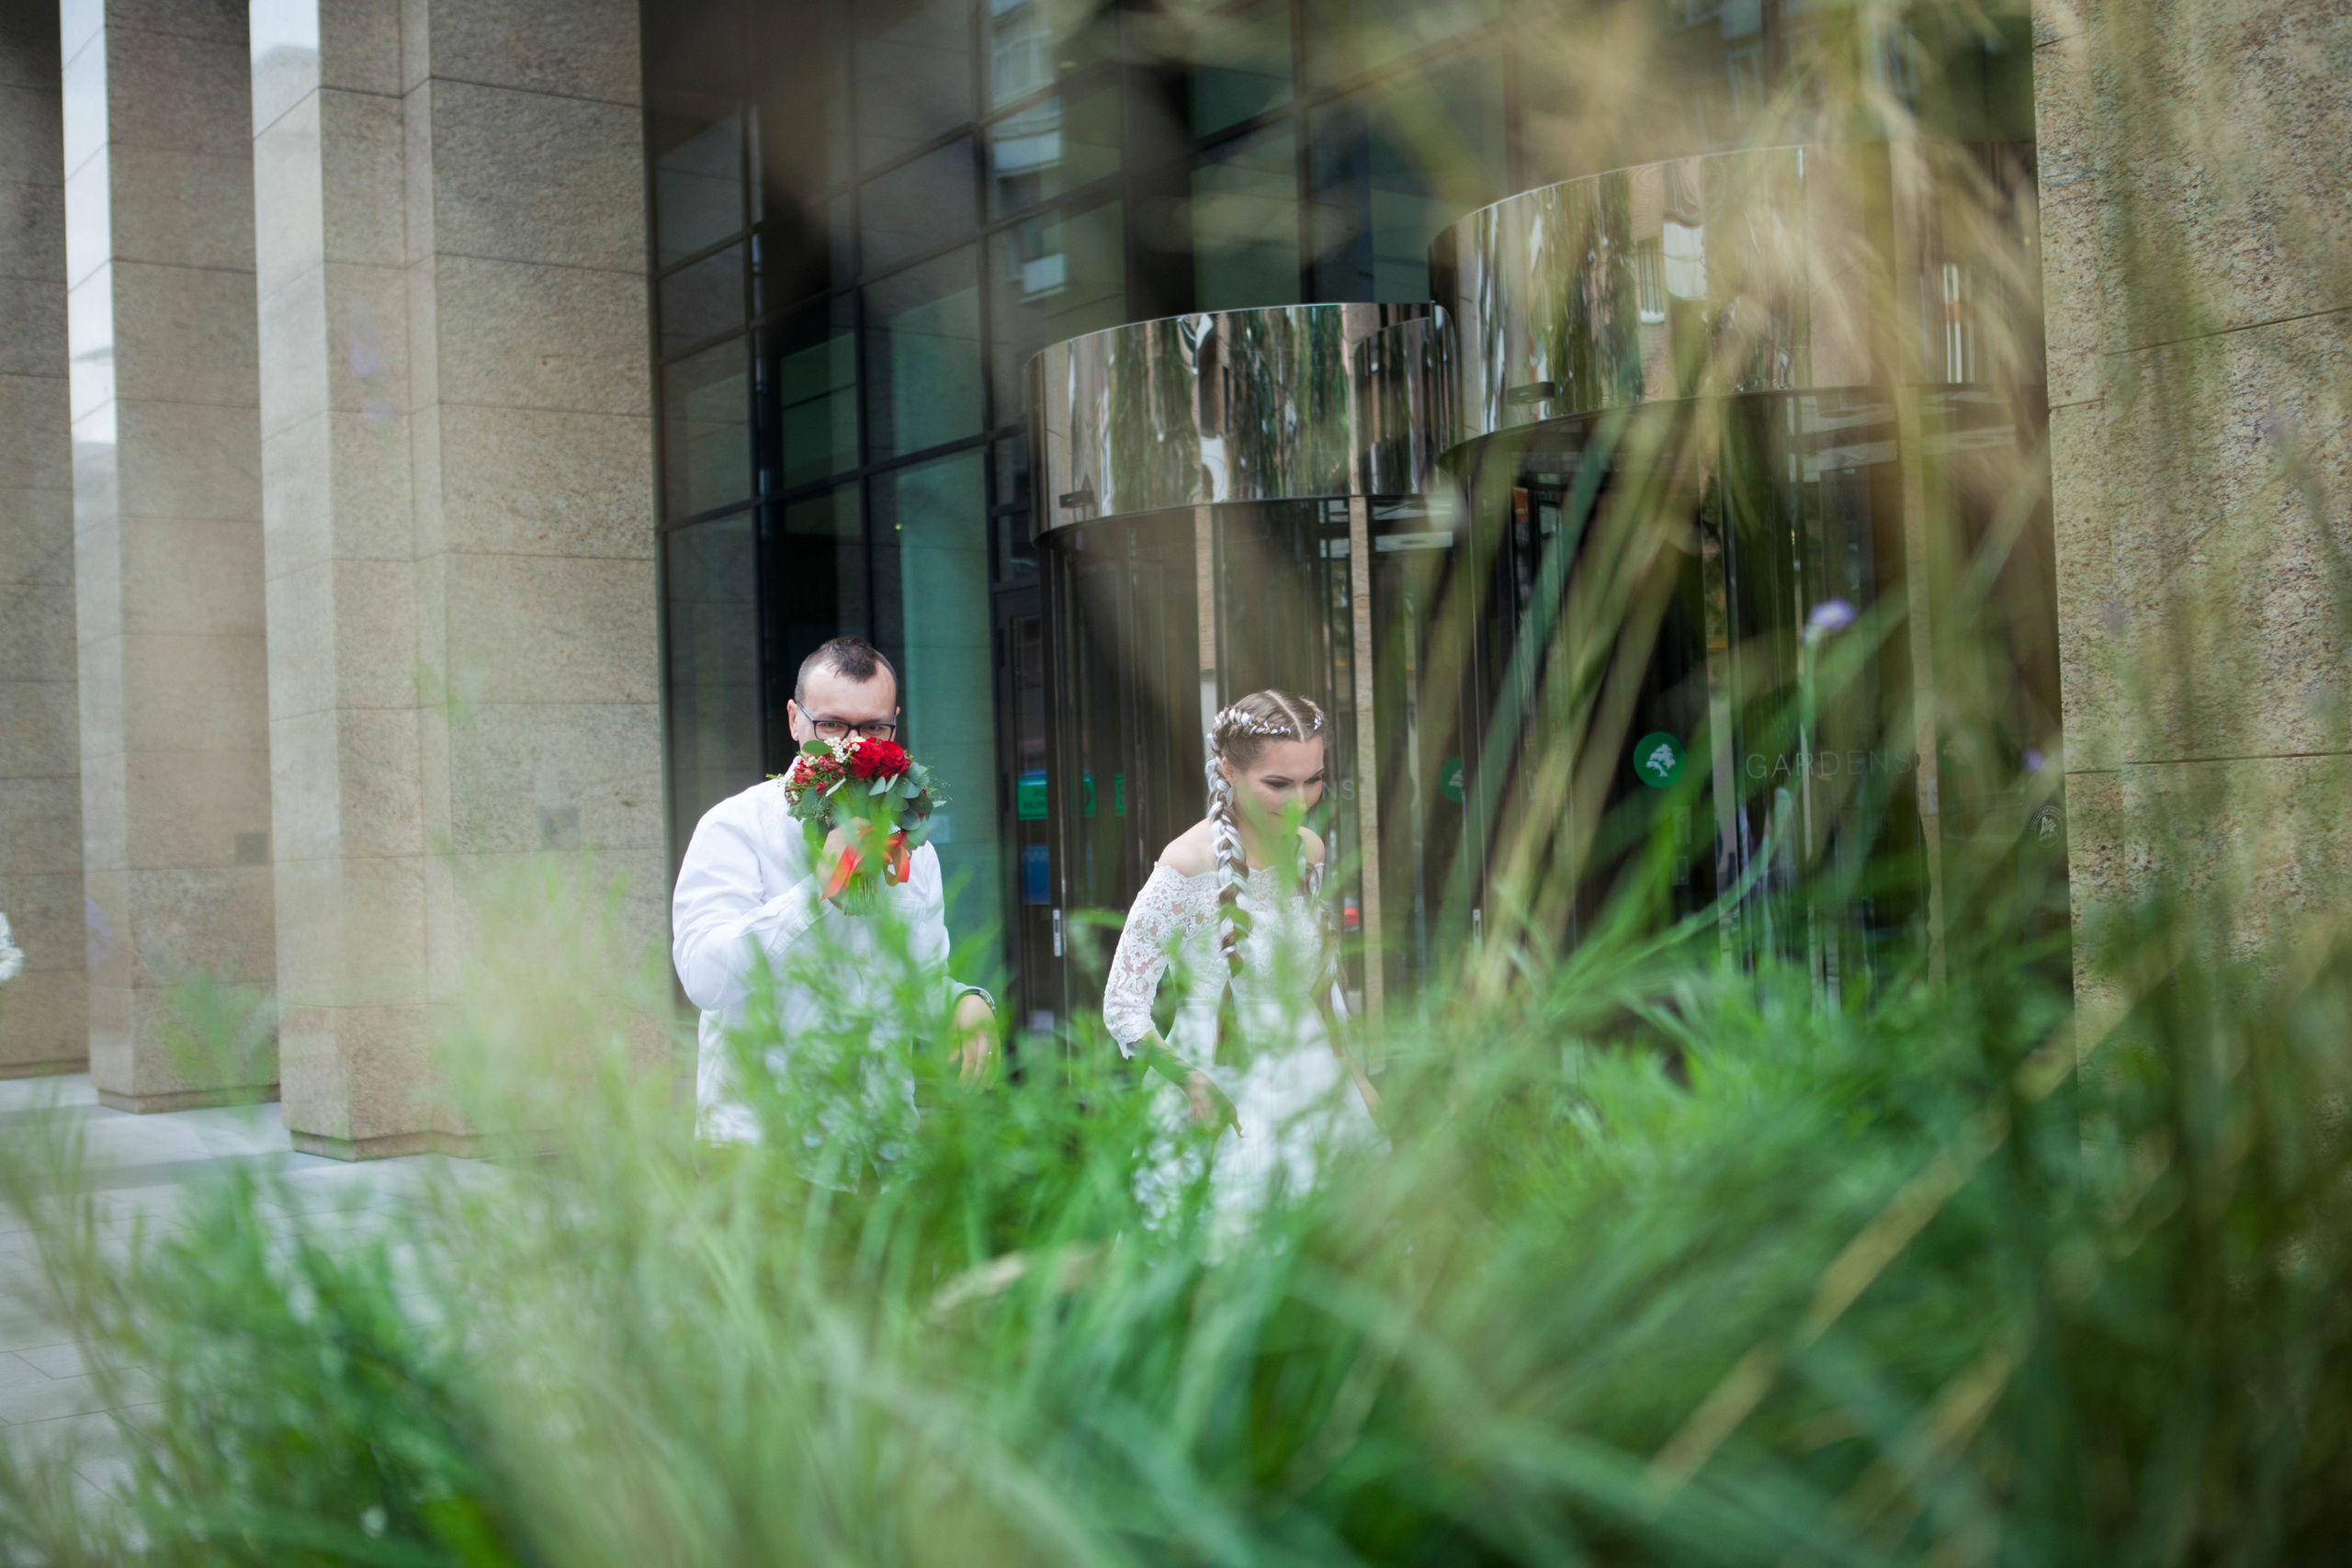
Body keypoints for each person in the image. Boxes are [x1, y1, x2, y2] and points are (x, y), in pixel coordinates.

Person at [673, 637, 995, 1146]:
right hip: (763, 1151)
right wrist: (816, 892)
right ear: (795, 720)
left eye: (872, 727)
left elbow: (917, 988)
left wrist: (964, 1000)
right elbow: (704, 980)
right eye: (831, 725)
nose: (852, 744)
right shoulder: (735, 827)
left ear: (894, 723)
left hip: (883, 1150)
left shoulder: (911, 844)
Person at [1102, 689, 1381, 1218]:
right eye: (1278, 784)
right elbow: (1122, 1005)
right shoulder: (1186, 864)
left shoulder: (1310, 851)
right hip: (1221, 1077)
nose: (1300, 800)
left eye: (1313, 780)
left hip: (1315, 1073)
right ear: (1227, 770)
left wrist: (1358, 1077)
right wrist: (1192, 1082)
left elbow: (1322, 980)